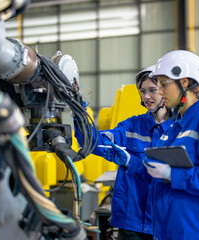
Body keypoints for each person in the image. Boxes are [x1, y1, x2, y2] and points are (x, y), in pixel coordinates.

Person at [143, 50, 199, 240]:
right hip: (173, 230)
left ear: (184, 82)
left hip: (198, 232)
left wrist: (172, 174)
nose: (159, 91)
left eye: (163, 84)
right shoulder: (176, 126)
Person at [74, 65, 173, 240]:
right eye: (142, 91)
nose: (146, 96)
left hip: (166, 224)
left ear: (165, 91)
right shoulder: (131, 126)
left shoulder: (178, 130)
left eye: (152, 90)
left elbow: (174, 177)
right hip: (131, 223)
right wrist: (78, 111)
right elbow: (94, 141)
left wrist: (132, 163)